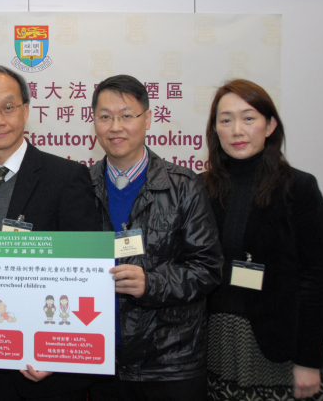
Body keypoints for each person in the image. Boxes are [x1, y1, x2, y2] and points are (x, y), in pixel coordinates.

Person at [0, 64, 100, 401]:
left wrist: (58, 351)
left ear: (26, 110)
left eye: (8, 107)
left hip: (51, 369)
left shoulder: (66, 177)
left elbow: (85, 271)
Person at [87, 74, 223, 401]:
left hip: (170, 363)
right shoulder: (80, 186)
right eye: (105, 117)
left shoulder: (184, 186)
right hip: (103, 361)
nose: (115, 126)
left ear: (147, 119)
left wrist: (152, 283)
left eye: (126, 115)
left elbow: (208, 268)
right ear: (94, 123)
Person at [202, 79, 323, 401]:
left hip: (276, 346)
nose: (237, 130)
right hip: (213, 343)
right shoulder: (200, 188)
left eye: (249, 118)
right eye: (226, 119)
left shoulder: (299, 188)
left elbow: (315, 282)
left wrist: (309, 361)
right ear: (215, 129)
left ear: (270, 125)